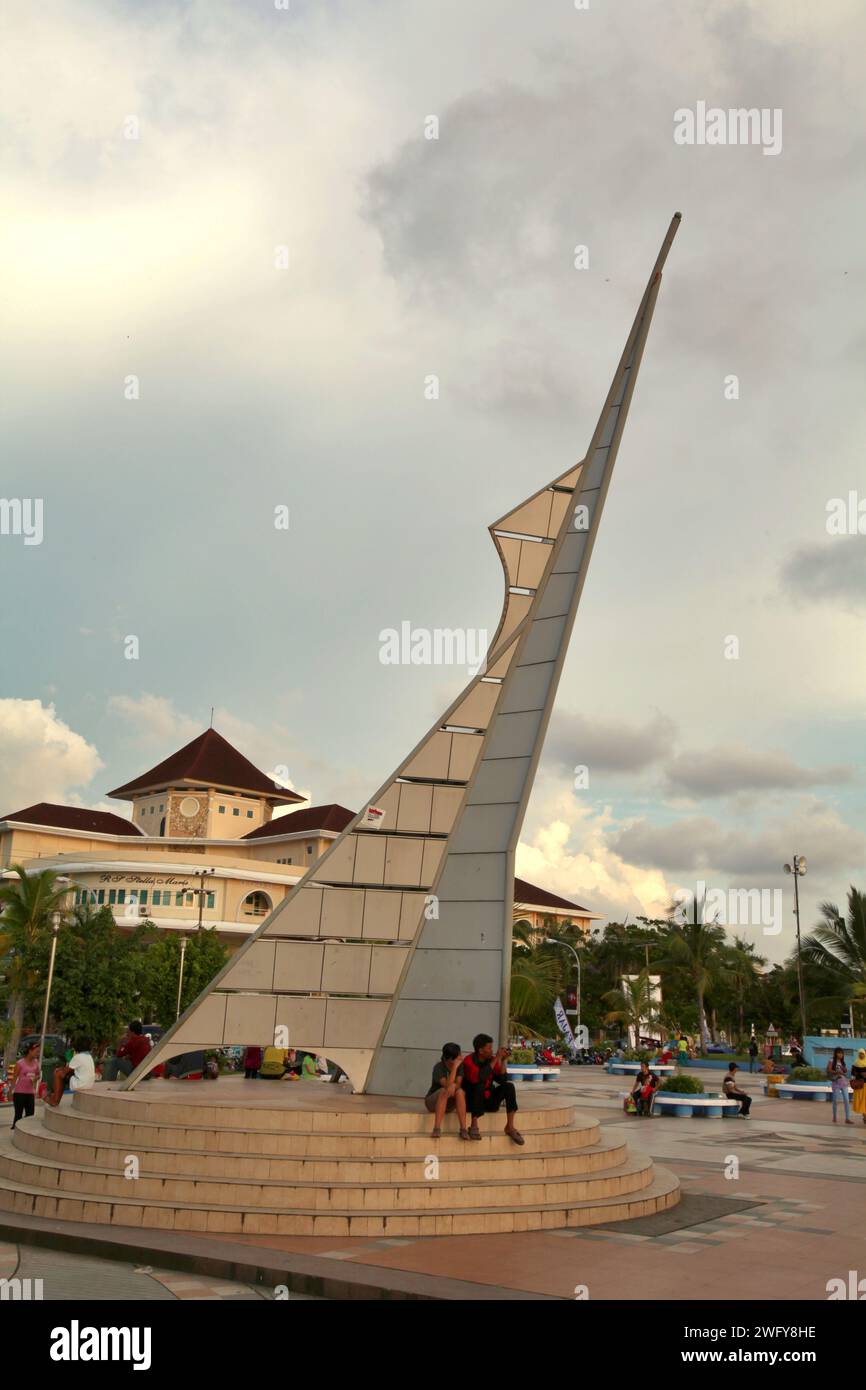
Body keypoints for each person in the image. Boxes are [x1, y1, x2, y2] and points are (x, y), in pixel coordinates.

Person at [462, 1034, 523, 1144]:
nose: (492, 1051)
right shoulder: (469, 1060)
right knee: (479, 1085)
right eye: (489, 1048)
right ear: (480, 1050)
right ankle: (474, 1124)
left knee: (509, 1086)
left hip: (488, 1101)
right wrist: (496, 1060)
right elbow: (479, 1077)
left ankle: (510, 1126)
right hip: (472, 1103)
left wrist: (503, 1060)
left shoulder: (491, 1060)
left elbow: (502, 1080)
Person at [425, 1042, 469, 1140]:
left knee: (460, 1092)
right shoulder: (438, 1068)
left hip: (449, 1103)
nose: (460, 1057)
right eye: (458, 1055)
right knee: (444, 1091)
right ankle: (436, 1128)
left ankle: (463, 1129)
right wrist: (454, 1068)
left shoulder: (460, 1066)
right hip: (432, 1102)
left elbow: (458, 1084)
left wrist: (454, 1085)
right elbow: (447, 1086)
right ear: (449, 1058)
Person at [46, 1038, 96, 1106]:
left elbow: (64, 1072)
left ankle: (55, 1100)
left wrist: (58, 1070)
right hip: (89, 1084)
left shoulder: (78, 1057)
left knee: (58, 1074)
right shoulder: (89, 1056)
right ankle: (56, 1098)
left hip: (80, 1085)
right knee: (64, 1075)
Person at [10, 1040, 40, 1129]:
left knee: (30, 1115)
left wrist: (36, 1078)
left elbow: (38, 1074)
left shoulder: (36, 1063)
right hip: (19, 1093)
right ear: (30, 1051)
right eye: (36, 1051)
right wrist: (10, 1091)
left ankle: (26, 1131)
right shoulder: (20, 1063)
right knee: (18, 1115)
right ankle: (15, 1131)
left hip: (30, 1093)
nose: (37, 1053)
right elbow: (14, 1078)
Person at [827, 1047, 853, 1125]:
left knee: (846, 1100)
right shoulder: (831, 1060)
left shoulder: (842, 1062)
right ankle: (834, 1117)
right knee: (835, 1101)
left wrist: (843, 1070)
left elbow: (845, 1071)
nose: (840, 1054)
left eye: (842, 1053)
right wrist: (837, 1072)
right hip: (836, 1082)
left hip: (843, 1082)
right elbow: (829, 1070)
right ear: (836, 1053)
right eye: (839, 1053)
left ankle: (847, 1118)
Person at [851, 1048, 866, 1127]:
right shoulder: (856, 1063)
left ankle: (865, 1116)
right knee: (861, 1100)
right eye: (860, 1053)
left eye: (862, 1053)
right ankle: (864, 1116)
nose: (861, 1055)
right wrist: (860, 1074)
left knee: (865, 1101)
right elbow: (853, 1073)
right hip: (860, 1085)